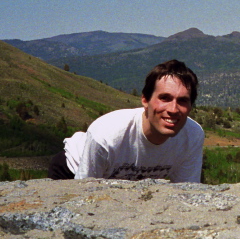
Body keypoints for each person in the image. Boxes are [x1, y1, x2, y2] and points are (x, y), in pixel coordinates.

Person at [48, 59, 204, 182]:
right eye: (164, 98)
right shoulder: (107, 135)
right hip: (73, 171)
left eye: (183, 101)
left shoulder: (192, 135)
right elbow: (84, 190)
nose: (173, 109)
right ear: (145, 99)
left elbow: (186, 190)